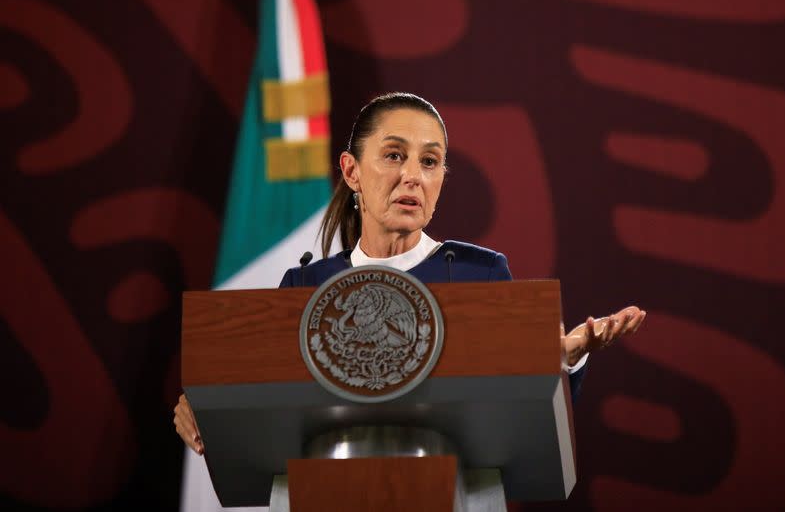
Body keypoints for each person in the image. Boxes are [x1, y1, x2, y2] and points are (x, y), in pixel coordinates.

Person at [173, 92, 646, 456]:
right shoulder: (305, 288)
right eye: (395, 155)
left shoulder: (479, 274)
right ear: (352, 171)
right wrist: (207, 406)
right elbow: (260, 401)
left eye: (430, 161)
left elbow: (527, 416)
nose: (413, 176)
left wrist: (561, 358)